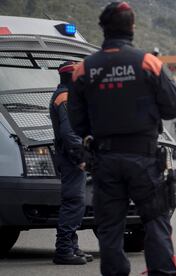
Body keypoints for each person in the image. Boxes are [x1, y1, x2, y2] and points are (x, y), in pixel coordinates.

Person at [67, 2, 176, 275]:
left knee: (110, 225)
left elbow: (77, 121)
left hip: (105, 159)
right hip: (143, 157)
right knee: (155, 218)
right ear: (132, 27)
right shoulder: (147, 62)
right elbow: (173, 106)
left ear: (102, 27)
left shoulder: (84, 69)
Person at [49, 61, 93, 265]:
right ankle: (64, 250)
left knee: (75, 202)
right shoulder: (65, 97)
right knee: (73, 203)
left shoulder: (64, 94)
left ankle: (72, 247)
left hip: (68, 156)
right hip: (71, 158)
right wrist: (80, 158)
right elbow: (70, 133)